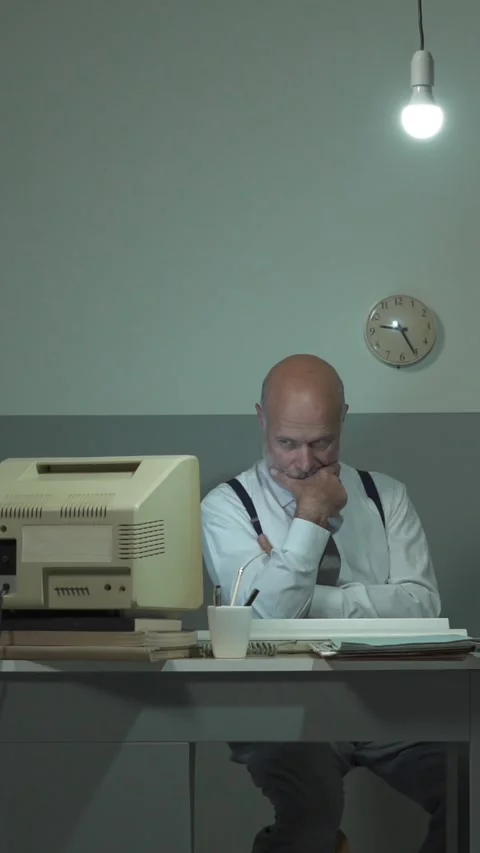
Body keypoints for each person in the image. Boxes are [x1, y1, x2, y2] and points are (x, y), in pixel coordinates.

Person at [201, 354, 445, 853]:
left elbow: (422, 610)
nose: (305, 462)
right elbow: (265, 621)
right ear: (261, 420)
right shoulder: (226, 507)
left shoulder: (386, 497)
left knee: (470, 788)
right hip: (281, 707)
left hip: (385, 704)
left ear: (343, 420)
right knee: (311, 816)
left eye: (321, 443)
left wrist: (306, 600)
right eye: (287, 443)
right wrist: (310, 519)